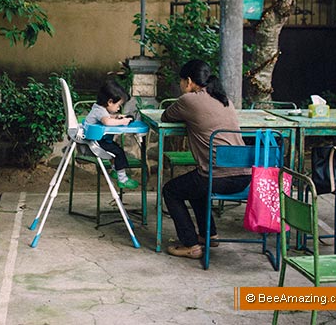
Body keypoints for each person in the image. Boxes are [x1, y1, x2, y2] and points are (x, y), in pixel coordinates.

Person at [161, 59, 251, 259]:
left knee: (171, 190)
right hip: (244, 176)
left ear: (189, 81)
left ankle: (191, 245)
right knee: (196, 186)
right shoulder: (224, 99)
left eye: (182, 81)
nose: (181, 85)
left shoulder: (189, 100)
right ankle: (209, 235)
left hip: (218, 176)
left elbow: (166, 116)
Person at [84, 80, 139, 190]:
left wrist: (116, 117)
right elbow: (107, 122)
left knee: (115, 149)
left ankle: (115, 170)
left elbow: (107, 118)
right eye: (118, 105)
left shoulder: (99, 108)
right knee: (118, 152)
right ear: (110, 102)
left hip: (96, 140)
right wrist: (122, 122)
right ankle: (122, 179)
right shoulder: (100, 111)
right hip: (95, 143)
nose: (119, 108)